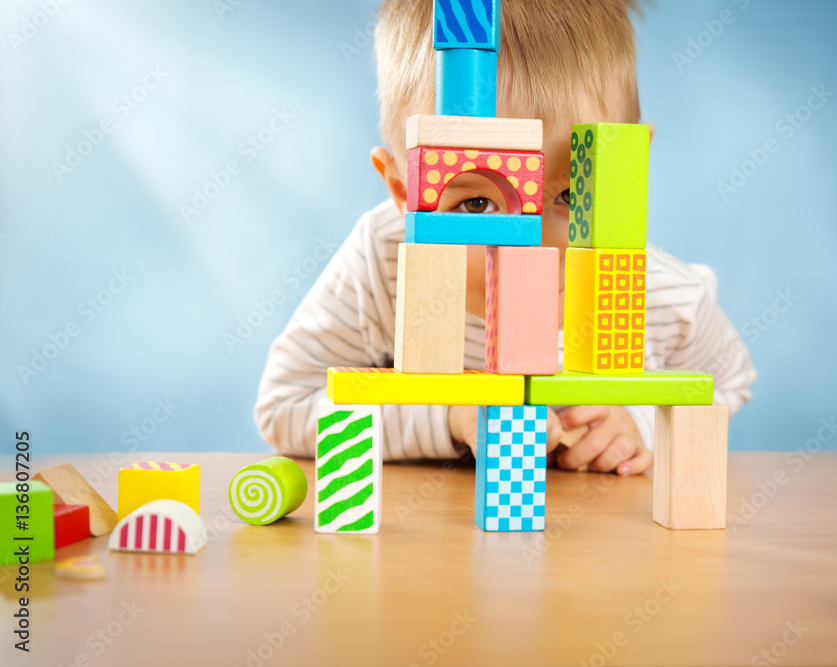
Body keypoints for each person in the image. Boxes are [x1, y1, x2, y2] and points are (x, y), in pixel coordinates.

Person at [254, 0, 757, 476]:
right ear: (405, 193)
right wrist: (446, 418)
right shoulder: (382, 262)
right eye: (477, 204)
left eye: (572, 196)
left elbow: (727, 382)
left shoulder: (658, 290)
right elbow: (285, 407)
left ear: (628, 174)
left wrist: (639, 423)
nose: (530, 247)